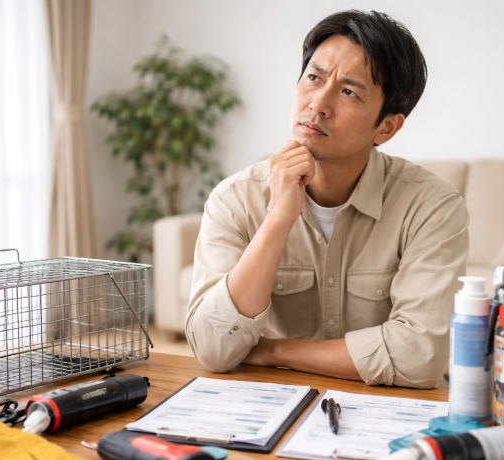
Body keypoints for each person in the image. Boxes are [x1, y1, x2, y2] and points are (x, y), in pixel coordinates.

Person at [185, 10, 469, 388]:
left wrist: (274, 351)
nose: (318, 103)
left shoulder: (432, 207)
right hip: (266, 405)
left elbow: (420, 358)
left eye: (349, 91)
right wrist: (278, 219)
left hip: (383, 410)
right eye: (314, 78)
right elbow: (212, 350)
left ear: (386, 127)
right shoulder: (235, 199)